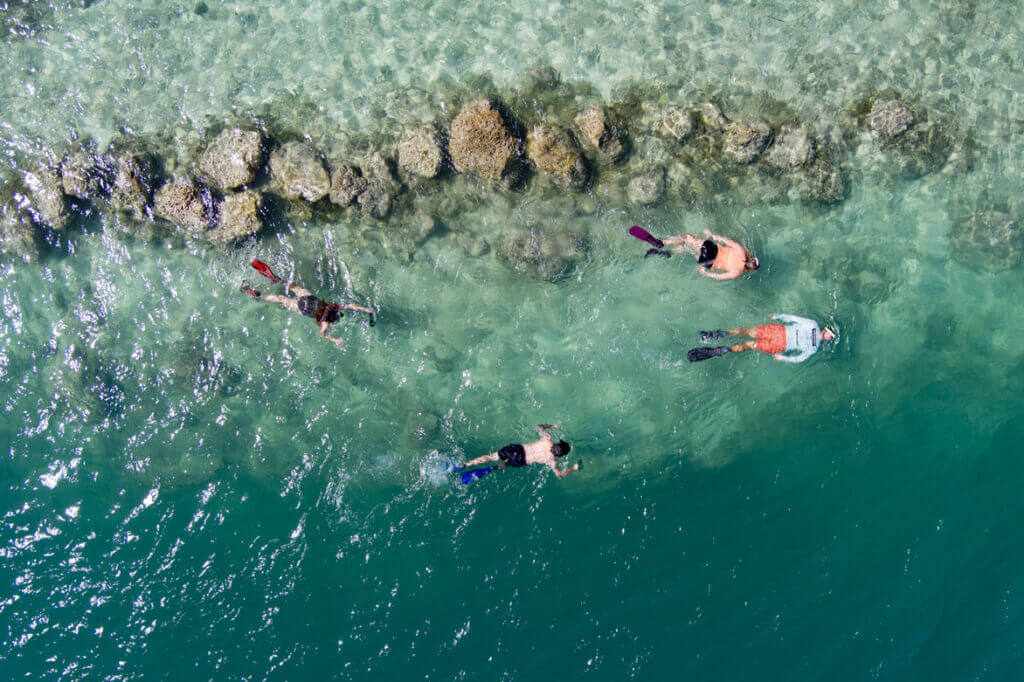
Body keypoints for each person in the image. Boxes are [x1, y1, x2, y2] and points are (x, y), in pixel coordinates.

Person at [241, 279, 374, 344]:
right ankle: (259, 295)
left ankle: (277, 280)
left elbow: (351, 306)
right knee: (281, 299)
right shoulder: (325, 323)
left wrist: (366, 310)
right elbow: (322, 334)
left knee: (293, 287)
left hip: (308, 299)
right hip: (302, 308)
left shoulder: (333, 307)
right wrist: (334, 339)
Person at [688, 314, 836, 363]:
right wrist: (783, 357)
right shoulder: (814, 347)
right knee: (749, 341)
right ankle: (723, 347)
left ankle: (720, 338)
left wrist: (779, 316)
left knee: (747, 334)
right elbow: (800, 358)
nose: (828, 335)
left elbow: (793, 318)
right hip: (780, 340)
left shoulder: (813, 326)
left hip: (779, 334)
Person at [462, 424, 581, 478]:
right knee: (506, 464)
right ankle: (492, 468)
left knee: (492, 456)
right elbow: (559, 474)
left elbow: (539, 427)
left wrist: (552, 426)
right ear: (560, 455)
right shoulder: (552, 461)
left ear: (557, 443)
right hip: (521, 461)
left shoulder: (547, 439)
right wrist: (573, 468)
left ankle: (465, 465)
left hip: (516, 450)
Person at [658, 228, 759, 280]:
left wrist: (713, 236)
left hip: (711, 249)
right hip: (708, 262)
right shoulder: (738, 273)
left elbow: (726, 240)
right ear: (749, 270)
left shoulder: (742, 251)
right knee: (687, 247)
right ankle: (669, 253)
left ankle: (663, 242)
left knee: (686, 237)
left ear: (751, 258)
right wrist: (705, 272)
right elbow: (718, 277)